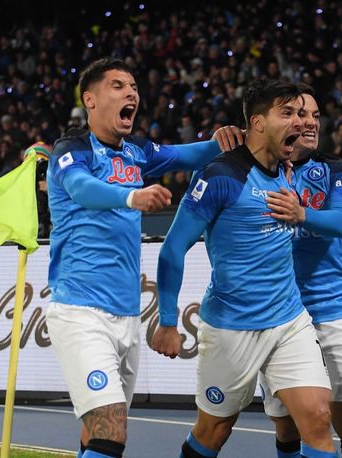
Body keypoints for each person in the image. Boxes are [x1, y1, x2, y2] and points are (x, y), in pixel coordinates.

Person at [45, 58, 229, 458]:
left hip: (127, 317)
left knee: (96, 432)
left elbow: (190, 155)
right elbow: (81, 189)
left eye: (133, 86)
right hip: (80, 311)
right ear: (90, 99)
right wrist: (132, 196)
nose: (131, 92)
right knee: (111, 428)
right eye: (117, 86)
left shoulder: (138, 152)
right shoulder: (72, 150)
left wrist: (228, 139)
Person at [152, 79, 336, 458]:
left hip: (288, 320)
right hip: (232, 327)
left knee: (316, 417)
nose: (299, 122)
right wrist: (168, 321)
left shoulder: (286, 168)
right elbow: (172, 249)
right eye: (287, 113)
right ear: (257, 122)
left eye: (301, 114)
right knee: (214, 432)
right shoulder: (221, 176)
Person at [217, 85, 342, 458]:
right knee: (288, 425)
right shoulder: (252, 171)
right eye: (297, 114)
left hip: (331, 310)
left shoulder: (335, 169)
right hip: (279, 316)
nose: (309, 122)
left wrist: (301, 213)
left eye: (314, 115)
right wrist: (217, 140)